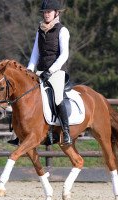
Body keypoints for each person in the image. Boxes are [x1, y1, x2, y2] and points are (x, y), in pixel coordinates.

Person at [27, 0, 72, 145]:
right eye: (45, 12)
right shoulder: (39, 30)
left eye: (49, 12)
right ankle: (20, 132)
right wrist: (29, 71)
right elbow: (35, 53)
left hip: (57, 72)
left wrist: (51, 70)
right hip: (40, 70)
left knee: (57, 98)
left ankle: (66, 131)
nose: (46, 14)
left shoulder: (62, 30)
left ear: (56, 13)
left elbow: (64, 55)